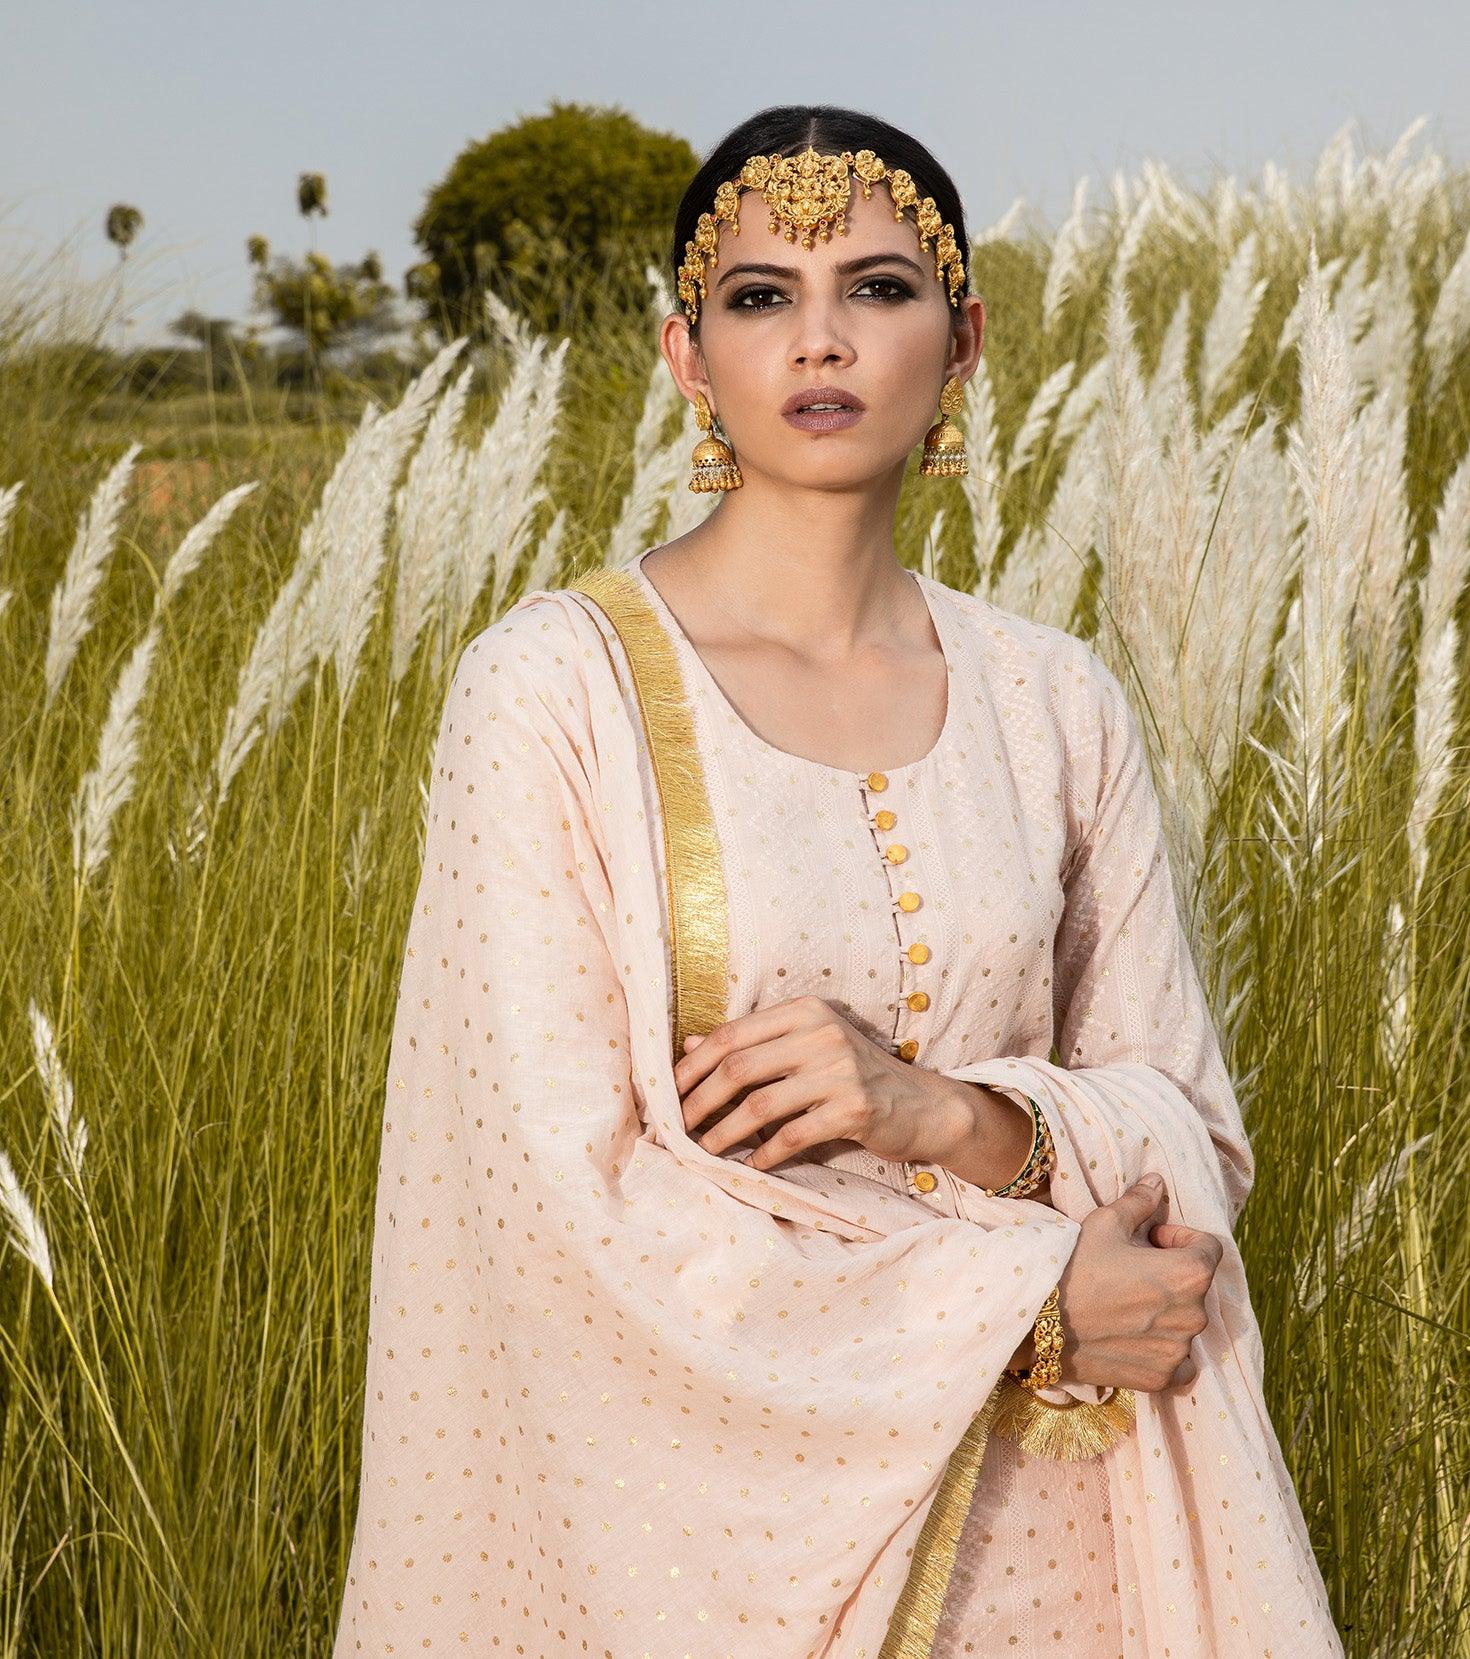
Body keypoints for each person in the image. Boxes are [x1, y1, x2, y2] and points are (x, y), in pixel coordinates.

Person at [332, 105, 1343, 1656]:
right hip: (699, 1547)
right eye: (759, 297)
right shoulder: (553, 691)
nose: (820, 340)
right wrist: (1024, 1303)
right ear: (685, 356)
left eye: (877, 287)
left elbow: (1186, 1126)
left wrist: (941, 1115)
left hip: (1060, 1528)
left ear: (963, 341)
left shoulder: (1051, 699)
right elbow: (547, 1200)